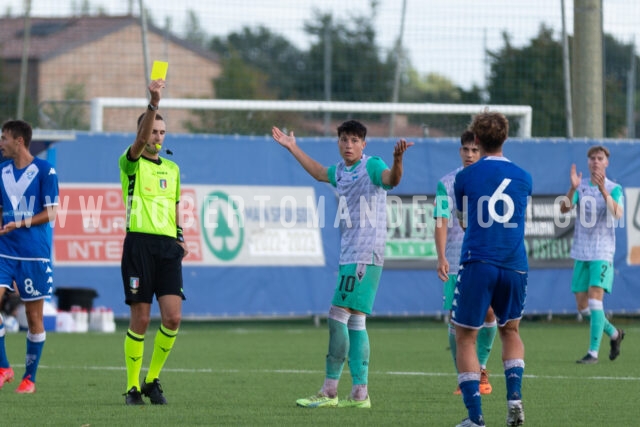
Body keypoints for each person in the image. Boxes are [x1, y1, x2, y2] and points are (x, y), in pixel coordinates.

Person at [271, 120, 412, 409]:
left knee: (337, 316)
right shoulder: (342, 171)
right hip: (352, 254)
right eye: (344, 140)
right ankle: (360, 394)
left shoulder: (371, 165)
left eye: (354, 140)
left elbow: (392, 179)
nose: (348, 145)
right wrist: (292, 147)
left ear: (364, 144)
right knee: (356, 320)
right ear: (338, 142)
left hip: (365, 254)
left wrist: (398, 161)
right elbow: (320, 173)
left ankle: (329, 390)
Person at [452, 110, 531, 427]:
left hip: (479, 261)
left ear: (478, 140)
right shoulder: (525, 177)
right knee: (510, 330)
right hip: (515, 264)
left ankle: (476, 418)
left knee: (466, 337)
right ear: (505, 138)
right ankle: (514, 400)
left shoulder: (465, 176)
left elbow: (462, 219)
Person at [119, 78, 188, 405]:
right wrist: (154, 102)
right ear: (143, 135)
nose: (157, 137)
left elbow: (175, 205)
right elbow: (140, 140)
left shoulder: (172, 169)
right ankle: (132, 387)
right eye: (152, 132)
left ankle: (152, 379)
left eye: (162, 133)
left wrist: (180, 237)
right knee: (142, 319)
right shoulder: (130, 163)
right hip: (138, 246)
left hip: (167, 248)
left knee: (173, 317)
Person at [433, 130, 496, 396]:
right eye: (465, 150)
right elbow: (441, 221)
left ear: (482, 152)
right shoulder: (447, 183)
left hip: (487, 258)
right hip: (459, 261)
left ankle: (480, 368)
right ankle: (463, 376)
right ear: (460, 151)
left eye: (474, 150)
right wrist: (441, 256)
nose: (469, 154)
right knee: (457, 320)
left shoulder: (492, 180)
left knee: (491, 313)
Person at [0, 119, 59, 394]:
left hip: (34, 254)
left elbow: (52, 213)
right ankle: (4, 367)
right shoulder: (1, 170)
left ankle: (29, 379)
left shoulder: (45, 171)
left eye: (4, 138)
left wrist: (20, 223)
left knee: (34, 318)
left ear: (19, 141)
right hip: (4, 250)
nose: (1, 144)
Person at [558, 145, 624, 364]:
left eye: (600, 158)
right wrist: (571, 189)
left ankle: (593, 353)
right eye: (592, 158)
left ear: (607, 163)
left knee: (596, 300)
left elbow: (617, 214)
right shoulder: (581, 186)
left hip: (602, 251)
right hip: (581, 251)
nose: (596, 161)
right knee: (582, 305)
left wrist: (604, 191)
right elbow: (563, 210)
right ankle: (614, 334)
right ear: (588, 163)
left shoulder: (614, 188)